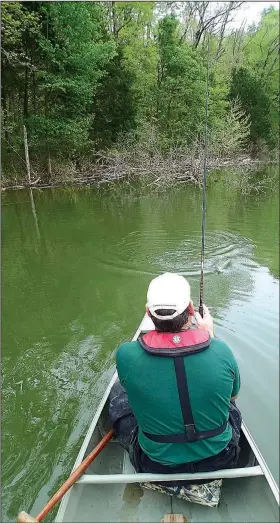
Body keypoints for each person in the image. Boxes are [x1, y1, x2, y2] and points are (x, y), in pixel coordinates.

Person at [109, 272, 242, 474]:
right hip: (222, 458)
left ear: (147, 312)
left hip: (154, 464)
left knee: (119, 391)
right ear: (190, 309)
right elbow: (233, 396)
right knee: (230, 406)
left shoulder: (127, 355)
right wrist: (210, 335)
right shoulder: (221, 350)